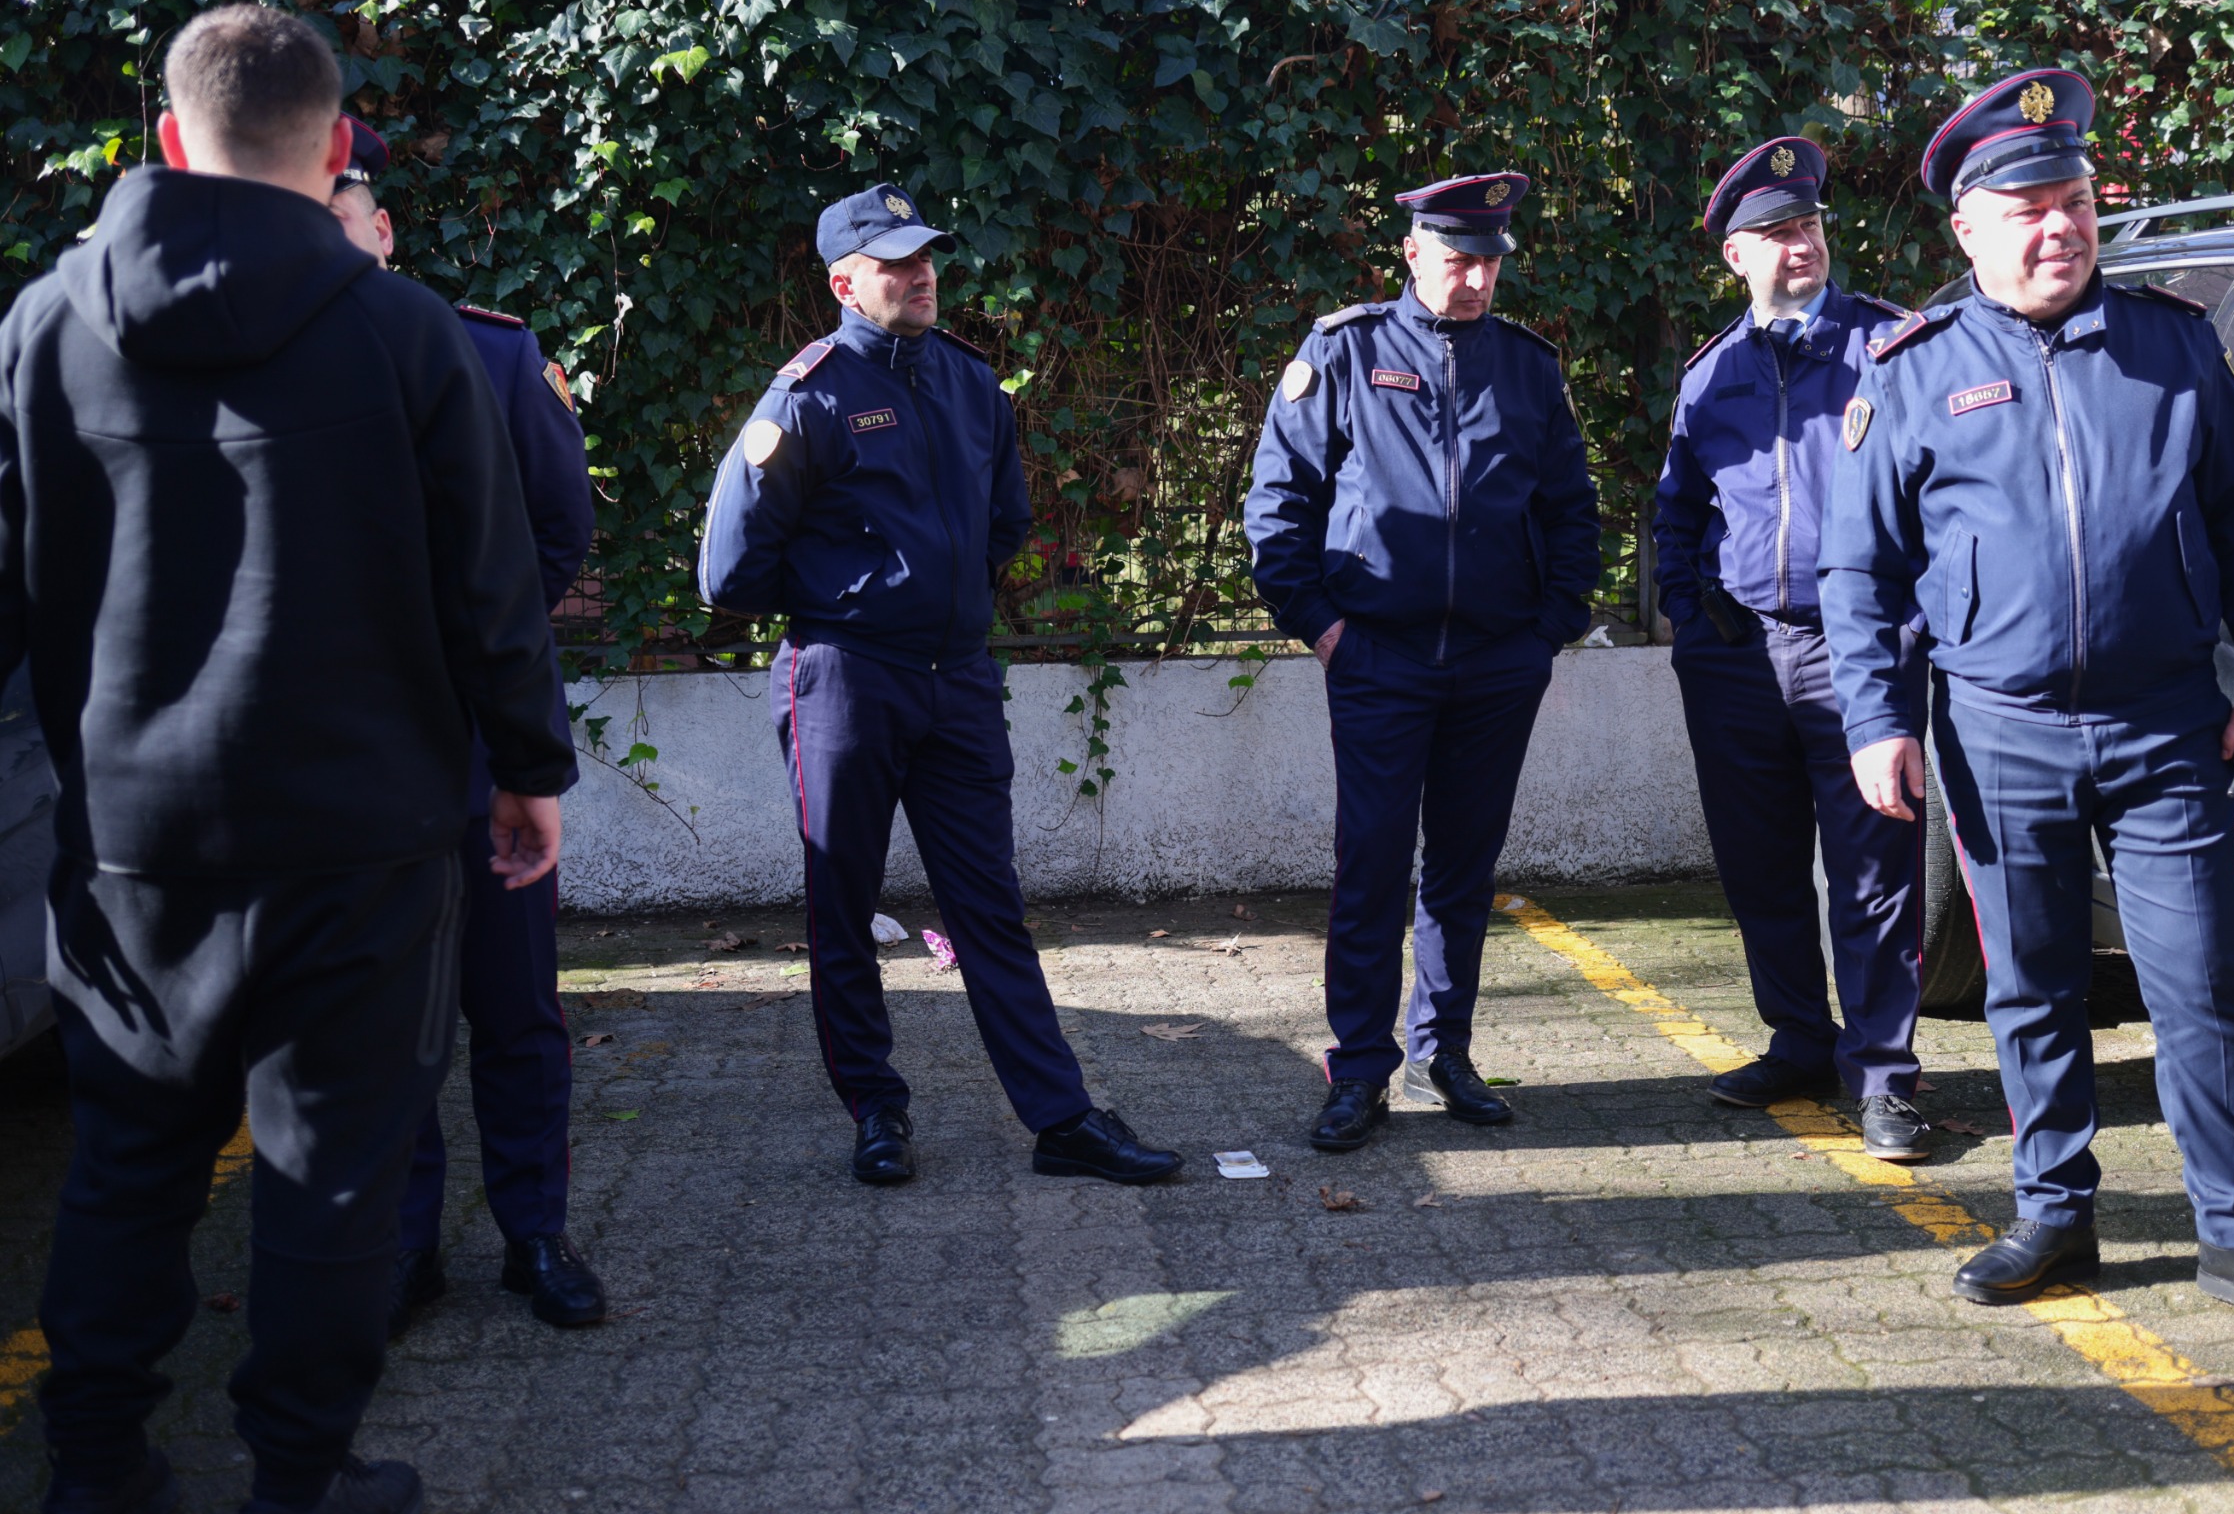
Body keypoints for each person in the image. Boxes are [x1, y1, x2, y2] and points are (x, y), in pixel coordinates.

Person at [7, 4, 574, 1514]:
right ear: (334, 151)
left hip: (130, 843)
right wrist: (529, 766)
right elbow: (490, 579)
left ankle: (95, 1477)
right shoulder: (403, 330)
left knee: (129, 1163)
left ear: (170, 140)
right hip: (360, 830)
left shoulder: (44, 323)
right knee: (331, 1169)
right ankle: (299, 1482)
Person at [1818, 68, 2234, 1337]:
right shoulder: (1912, 366)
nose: (2056, 227)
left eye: (2071, 202)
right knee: (2032, 984)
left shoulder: (2171, 347)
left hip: (2166, 724)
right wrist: (1876, 718)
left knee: (2201, 982)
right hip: (1996, 730)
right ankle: (2053, 1210)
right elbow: (1859, 565)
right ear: (1968, 229)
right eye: (2026, 209)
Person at [697, 183, 1180, 1188]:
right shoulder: (807, 394)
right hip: (846, 679)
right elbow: (729, 572)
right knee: (842, 900)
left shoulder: (970, 381)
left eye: (926, 259)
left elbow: (1004, 521)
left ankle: (1061, 1118)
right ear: (845, 282)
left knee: (990, 905)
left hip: (956, 680)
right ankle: (876, 1110)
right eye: (895, 264)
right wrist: (851, 598)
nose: (920, 276)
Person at [1245, 172, 1600, 1153]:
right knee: (1370, 864)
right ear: (1412, 254)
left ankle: (1445, 1053)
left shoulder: (1528, 366)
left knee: (1462, 866)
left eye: (1490, 260)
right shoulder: (1346, 350)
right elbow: (1280, 503)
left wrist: (1549, 628)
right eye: (1458, 259)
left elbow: (1570, 506)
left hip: (1497, 663)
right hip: (1378, 656)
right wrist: (1322, 626)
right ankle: (1359, 1067)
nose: (1476, 277)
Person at [324, 119, 607, 1334]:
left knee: (516, 1001)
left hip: (484, 737)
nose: (318, 239)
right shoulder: (262, 366)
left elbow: (558, 532)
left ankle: (533, 1232)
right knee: (385, 1016)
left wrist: (470, 656)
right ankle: (403, 1244)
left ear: (381, 228)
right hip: (351, 752)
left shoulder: (490, 355)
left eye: (337, 217)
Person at [1653, 137, 1931, 1163]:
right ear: (1735, 256)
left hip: (1859, 653)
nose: (1798, 243)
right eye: (1773, 232)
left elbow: (1939, 502)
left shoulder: (1893, 350)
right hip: (1734, 657)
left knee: (1872, 868)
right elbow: (1675, 511)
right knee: (1758, 865)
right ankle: (1799, 1039)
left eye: (1807, 225)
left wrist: (1910, 625)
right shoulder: (1710, 374)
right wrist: (1692, 615)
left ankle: (1885, 1075)